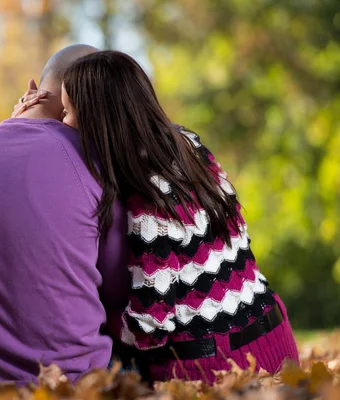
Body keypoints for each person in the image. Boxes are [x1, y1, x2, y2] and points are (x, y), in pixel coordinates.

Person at [27, 49, 298, 383]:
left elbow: (150, 328)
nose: (62, 122)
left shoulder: (149, 198)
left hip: (218, 368)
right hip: (276, 338)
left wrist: (99, 319)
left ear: (98, 118)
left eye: (67, 112)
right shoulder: (187, 143)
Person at [0, 45, 131, 387]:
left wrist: (17, 126)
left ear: (34, 88)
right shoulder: (97, 162)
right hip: (77, 380)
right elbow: (118, 285)